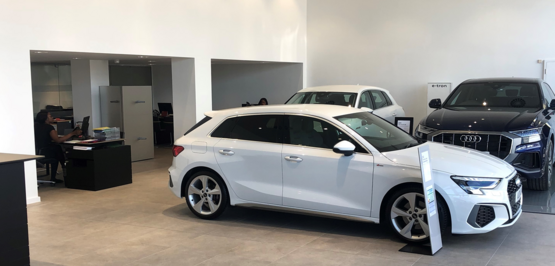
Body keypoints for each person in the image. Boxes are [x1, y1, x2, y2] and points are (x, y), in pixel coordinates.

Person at [34, 111, 82, 183]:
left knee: (57, 150)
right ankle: (66, 172)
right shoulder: (49, 127)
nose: (52, 117)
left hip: (38, 151)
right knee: (59, 150)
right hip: (45, 152)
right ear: (45, 119)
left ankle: (59, 175)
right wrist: (72, 133)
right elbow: (58, 140)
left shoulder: (36, 126)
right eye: (50, 116)